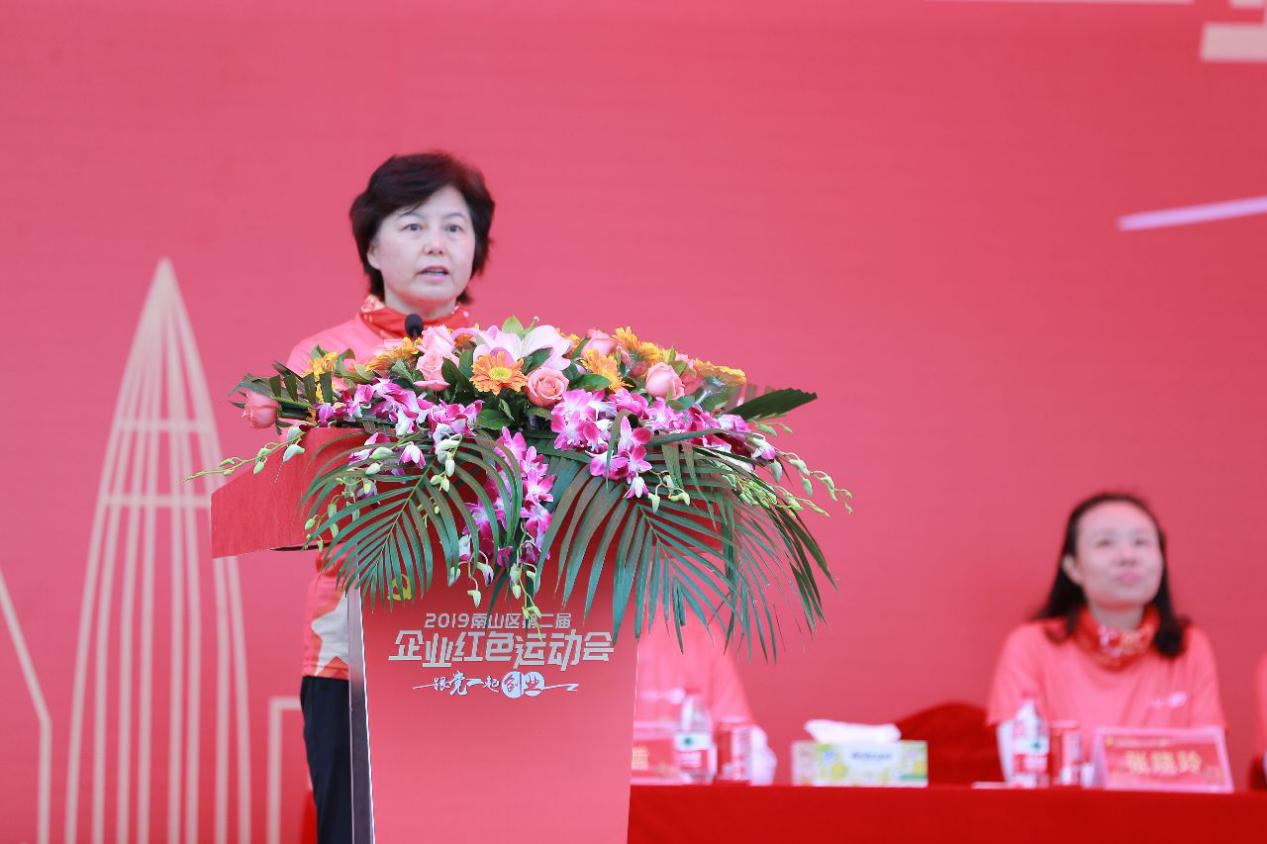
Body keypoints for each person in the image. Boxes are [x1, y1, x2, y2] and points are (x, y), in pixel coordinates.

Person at [282, 151, 495, 844]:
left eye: (455, 228)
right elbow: (314, 499)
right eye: (413, 225)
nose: (437, 244)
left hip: (482, 655)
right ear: (373, 249)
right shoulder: (322, 362)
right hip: (353, 657)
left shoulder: (519, 366)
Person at [986, 492, 1226, 770]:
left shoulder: (1189, 646)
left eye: (1141, 542)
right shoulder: (1031, 645)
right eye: (1105, 543)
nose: (1128, 556)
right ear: (1073, 567)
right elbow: (1024, 771)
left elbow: (1207, 770)